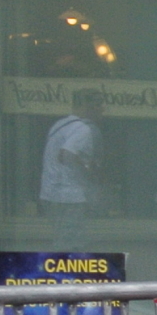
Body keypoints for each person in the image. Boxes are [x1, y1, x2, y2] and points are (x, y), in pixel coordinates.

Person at [38, 89, 106, 231]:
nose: (102, 110)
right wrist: (87, 174)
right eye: (98, 106)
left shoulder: (59, 125)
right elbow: (66, 154)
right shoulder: (83, 129)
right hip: (70, 197)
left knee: (61, 241)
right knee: (72, 244)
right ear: (88, 107)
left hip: (50, 194)